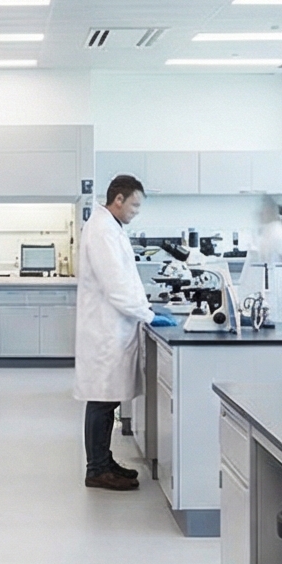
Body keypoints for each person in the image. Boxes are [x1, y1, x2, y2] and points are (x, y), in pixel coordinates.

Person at [74, 174, 172, 491]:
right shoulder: (102, 230)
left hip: (113, 326)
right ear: (119, 200)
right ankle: (96, 469)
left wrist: (144, 311)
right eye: (134, 205)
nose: (135, 211)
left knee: (107, 399)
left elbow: (124, 279)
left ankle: (104, 460)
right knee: (102, 400)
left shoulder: (109, 227)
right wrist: (147, 314)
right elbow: (116, 285)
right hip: (106, 328)